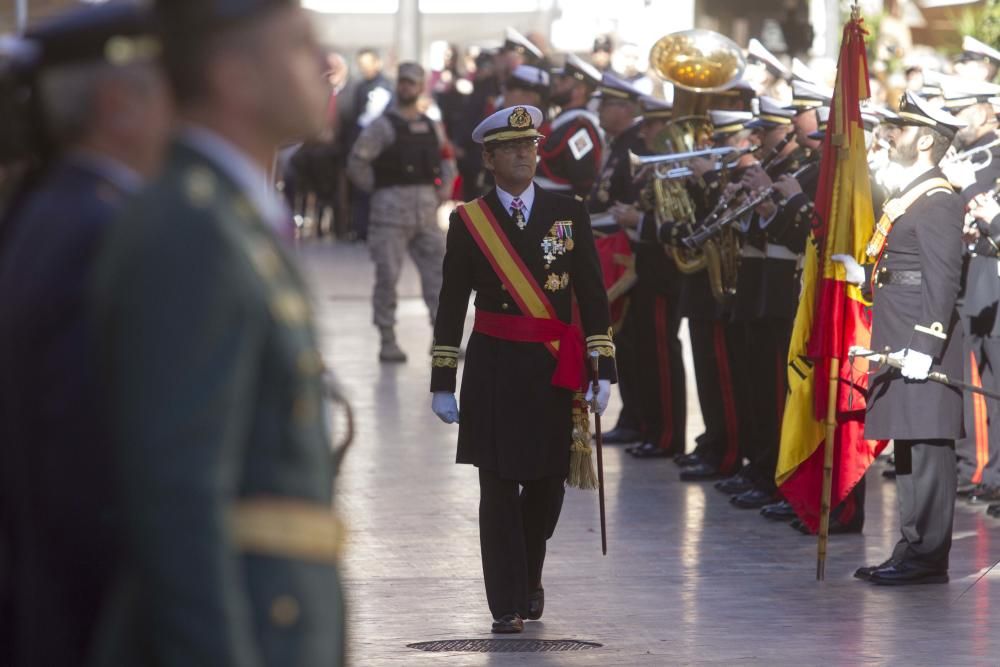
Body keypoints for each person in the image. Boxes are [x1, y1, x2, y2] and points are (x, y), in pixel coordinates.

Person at [88, 1, 346, 663]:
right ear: (236, 75)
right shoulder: (192, 231)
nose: (323, 65)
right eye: (299, 46)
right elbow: (180, 499)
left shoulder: (226, 214)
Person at [0, 5, 170, 666]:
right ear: (118, 104)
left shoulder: (55, 211)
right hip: (85, 623)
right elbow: (91, 478)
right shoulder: (98, 234)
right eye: (166, 92)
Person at [429, 105, 616, 633]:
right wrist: (443, 380)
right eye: (512, 148)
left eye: (530, 146)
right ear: (489, 158)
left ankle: (530, 573)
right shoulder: (469, 222)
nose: (524, 155)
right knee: (497, 488)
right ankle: (505, 603)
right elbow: (451, 304)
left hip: (552, 370)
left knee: (547, 487)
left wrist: (604, 368)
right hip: (492, 368)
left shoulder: (568, 212)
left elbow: (592, 296)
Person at [839, 92, 966, 585]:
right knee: (910, 449)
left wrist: (928, 343)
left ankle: (927, 555)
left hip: (919, 343)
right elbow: (902, 266)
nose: (891, 136)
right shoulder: (913, 195)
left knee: (929, 452)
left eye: (902, 129)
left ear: (928, 140)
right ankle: (913, 548)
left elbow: (942, 280)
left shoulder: (938, 200)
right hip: (901, 337)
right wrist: (865, 277)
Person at [347, 61, 454, 363]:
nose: (406, 87)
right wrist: (381, 188)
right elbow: (357, 163)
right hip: (389, 216)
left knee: (438, 275)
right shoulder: (382, 126)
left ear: (421, 87)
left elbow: (446, 158)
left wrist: (444, 188)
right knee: (387, 277)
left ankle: (442, 338)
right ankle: (387, 338)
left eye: (412, 82)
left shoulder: (431, 126)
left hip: (426, 214)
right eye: (403, 82)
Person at [940, 84, 1000, 504]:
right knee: (985, 381)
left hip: (989, 274)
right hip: (981, 271)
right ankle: (988, 470)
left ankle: (986, 468)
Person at [535, 54, 603, 198]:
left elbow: (583, 179)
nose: (557, 82)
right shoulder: (564, 120)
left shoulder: (580, 126)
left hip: (559, 207)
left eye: (564, 79)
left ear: (580, 90)